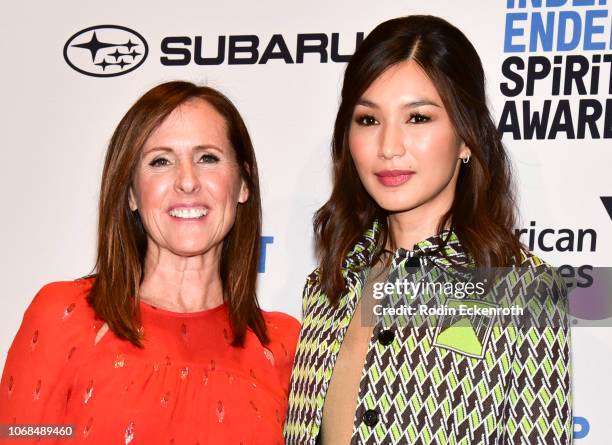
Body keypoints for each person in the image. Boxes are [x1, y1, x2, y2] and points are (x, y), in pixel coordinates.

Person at [284, 15, 572, 445]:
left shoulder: (522, 290)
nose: (389, 147)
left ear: (467, 138)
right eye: (368, 119)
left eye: (418, 118)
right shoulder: (329, 287)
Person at [0, 81, 300, 444]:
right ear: (130, 194)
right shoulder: (67, 317)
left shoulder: (282, 346)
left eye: (208, 158)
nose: (187, 181)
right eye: (161, 161)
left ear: (243, 184)